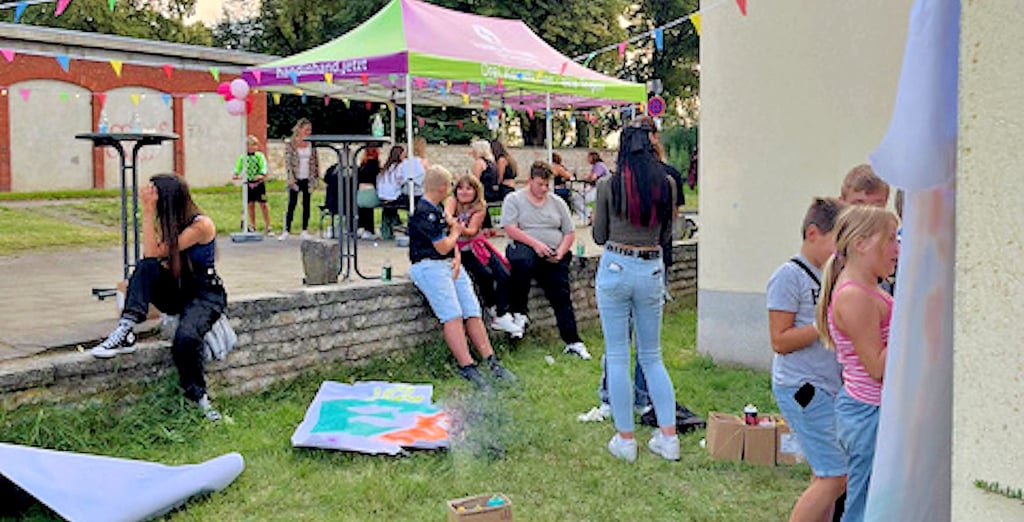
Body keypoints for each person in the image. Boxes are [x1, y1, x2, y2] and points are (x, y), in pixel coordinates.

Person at [91, 174, 227, 421]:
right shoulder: (169, 224)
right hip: (178, 291)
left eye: (156, 199)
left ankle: (200, 401)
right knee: (145, 268)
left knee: (186, 339)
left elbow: (155, 251)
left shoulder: (201, 225)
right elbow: (150, 257)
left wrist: (146, 209)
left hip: (205, 294)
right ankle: (125, 330)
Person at [592, 118, 679, 461]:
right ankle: (668, 438)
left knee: (617, 355)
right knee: (652, 356)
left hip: (616, 264)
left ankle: (625, 440)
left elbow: (599, 235)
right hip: (651, 267)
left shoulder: (608, 185)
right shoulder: (667, 184)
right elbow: (667, 235)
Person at [815, 205, 900, 522]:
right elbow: (877, 367)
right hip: (868, 412)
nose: (897, 248)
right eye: (890, 239)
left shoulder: (872, 288)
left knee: (880, 502)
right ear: (861, 244)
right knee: (864, 506)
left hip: (876, 410)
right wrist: (911, 320)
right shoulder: (855, 296)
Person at [767, 197, 847, 521]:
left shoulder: (833, 275)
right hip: (803, 388)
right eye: (837, 242)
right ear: (812, 233)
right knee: (836, 476)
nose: (841, 252)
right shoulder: (789, 276)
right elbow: (779, 341)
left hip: (828, 387)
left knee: (825, 473)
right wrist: (823, 325)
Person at [407, 165, 517, 389]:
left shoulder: (438, 209)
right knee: (452, 315)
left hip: (448, 263)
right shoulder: (424, 212)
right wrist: (456, 233)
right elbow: (442, 245)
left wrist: (456, 256)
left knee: (471, 310)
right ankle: (467, 365)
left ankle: (490, 359)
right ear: (441, 187)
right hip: (429, 265)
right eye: (449, 185)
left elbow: (450, 244)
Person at [502, 161, 591, 360]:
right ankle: (519, 312)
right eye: (540, 184)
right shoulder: (514, 199)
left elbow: (569, 232)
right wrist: (536, 244)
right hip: (526, 247)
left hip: (552, 253)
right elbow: (510, 228)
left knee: (560, 291)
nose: (544, 189)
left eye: (546, 185)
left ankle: (573, 340)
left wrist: (560, 252)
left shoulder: (557, 202)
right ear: (530, 180)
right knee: (522, 264)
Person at [444, 174, 522, 338]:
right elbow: (447, 215)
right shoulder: (452, 201)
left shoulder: (480, 207)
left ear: (475, 191)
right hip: (458, 249)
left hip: (476, 244)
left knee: (504, 273)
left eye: (469, 188)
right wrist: (454, 224)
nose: (464, 192)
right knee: (484, 274)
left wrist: (456, 227)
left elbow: (472, 230)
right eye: (461, 188)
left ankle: (502, 312)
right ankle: (493, 308)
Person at [280, 118, 319, 240]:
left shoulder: (311, 144)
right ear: (300, 129)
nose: (308, 132)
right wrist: (290, 178)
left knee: (306, 204)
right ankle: (287, 230)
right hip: (296, 177)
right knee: (292, 203)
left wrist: (316, 178)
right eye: (306, 130)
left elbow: (315, 161)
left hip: (308, 177)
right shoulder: (291, 144)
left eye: (310, 130)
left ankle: (304, 229)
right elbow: (288, 163)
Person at [233, 135, 271, 235]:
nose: (253, 147)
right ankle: (252, 225)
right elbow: (238, 167)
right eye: (251, 145)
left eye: (255, 145)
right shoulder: (243, 157)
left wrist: (261, 174)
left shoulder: (259, 156)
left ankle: (268, 225)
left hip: (259, 184)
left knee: (263, 204)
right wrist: (236, 174)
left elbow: (263, 166)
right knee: (250, 205)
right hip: (248, 184)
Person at [377, 146, 408, 240]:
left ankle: (387, 230)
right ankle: (398, 225)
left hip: (382, 196)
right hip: (393, 197)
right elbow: (402, 181)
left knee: (387, 211)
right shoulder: (401, 166)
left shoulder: (385, 168)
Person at [572, 151, 610, 223]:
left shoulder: (598, 165)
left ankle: (589, 216)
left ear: (593, 157)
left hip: (600, 189)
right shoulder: (598, 165)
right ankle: (590, 216)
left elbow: (593, 178)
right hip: (599, 188)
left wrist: (585, 179)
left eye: (588, 157)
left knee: (576, 199)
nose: (587, 159)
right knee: (579, 198)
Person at [356, 147, 381, 240]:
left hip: (360, 192)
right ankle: (369, 230)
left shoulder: (362, 165)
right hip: (370, 190)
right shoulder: (375, 165)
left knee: (362, 209)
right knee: (369, 210)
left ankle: (361, 228)